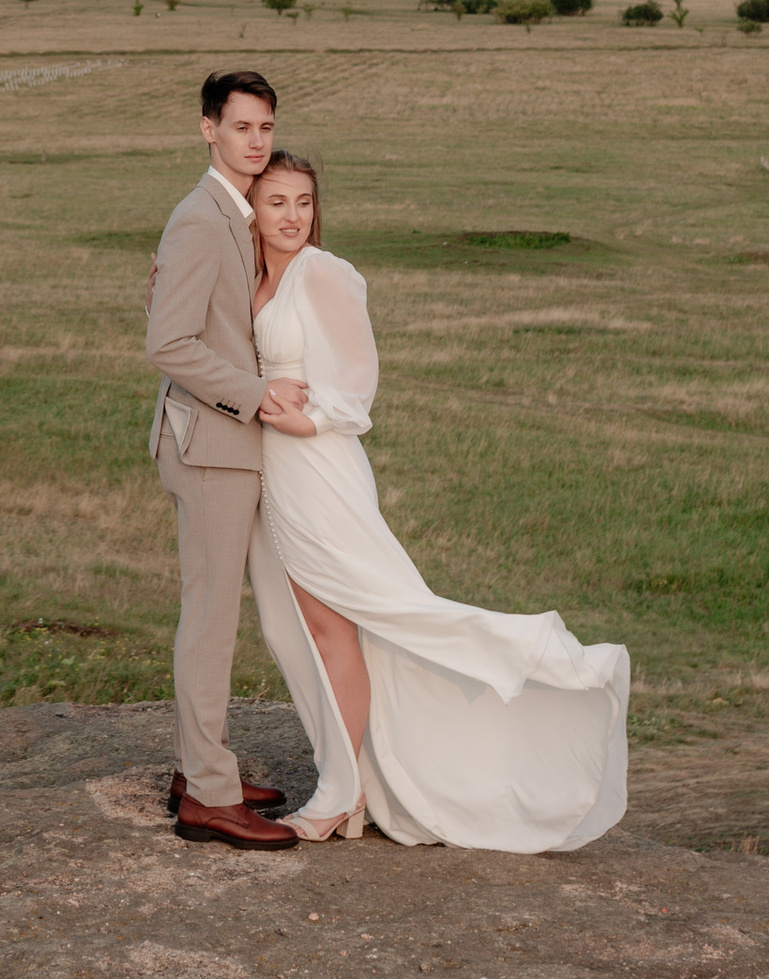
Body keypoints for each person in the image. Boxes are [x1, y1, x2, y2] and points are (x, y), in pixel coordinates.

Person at [247, 148, 631, 850]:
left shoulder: (322, 272)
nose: (293, 216)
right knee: (286, 627)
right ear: (253, 207)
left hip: (316, 466)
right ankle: (355, 779)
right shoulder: (252, 277)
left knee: (336, 625)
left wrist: (312, 419)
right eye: (277, 202)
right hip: (269, 472)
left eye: (303, 201)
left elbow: (358, 376)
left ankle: (340, 793)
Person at [142, 71, 322, 850]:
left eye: (265, 128)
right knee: (211, 622)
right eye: (241, 126)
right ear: (207, 128)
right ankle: (209, 799)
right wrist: (258, 394)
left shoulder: (235, 212)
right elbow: (168, 344)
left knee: (218, 616)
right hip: (210, 446)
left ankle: (202, 768)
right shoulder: (199, 216)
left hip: (227, 445)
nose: (256, 141)